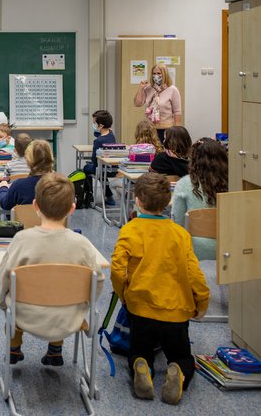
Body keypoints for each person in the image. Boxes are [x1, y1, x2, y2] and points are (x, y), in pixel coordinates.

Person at [111, 172, 209, 405]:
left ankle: (141, 367)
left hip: (140, 310)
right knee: (182, 356)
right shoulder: (180, 234)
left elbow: (117, 269)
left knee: (138, 352)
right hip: (176, 312)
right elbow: (195, 273)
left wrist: (123, 294)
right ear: (167, 202)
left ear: (137, 201)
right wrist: (201, 302)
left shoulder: (130, 230)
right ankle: (178, 370)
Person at [0, 173, 104, 366]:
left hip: (25, 316)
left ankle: (13, 348)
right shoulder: (83, 245)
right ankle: (55, 350)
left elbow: (3, 281)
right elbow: (98, 281)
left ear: (35, 205)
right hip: (69, 318)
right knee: (59, 290)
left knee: (17, 298)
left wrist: (3, 303)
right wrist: (83, 304)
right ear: (72, 209)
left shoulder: (21, 240)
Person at [172, 138, 228, 260]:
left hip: (194, 248)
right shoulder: (233, 184)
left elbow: (177, 222)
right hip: (228, 246)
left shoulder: (184, 184)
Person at [0, 139, 53, 211]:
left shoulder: (19, 185)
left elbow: (5, 205)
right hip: (51, 222)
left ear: (28, 161)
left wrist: (3, 188)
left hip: (24, 222)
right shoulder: (59, 184)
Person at [133, 63, 182, 143]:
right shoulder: (148, 89)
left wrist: (177, 133)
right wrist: (141, 89)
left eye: (159, 73)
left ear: (164, 74)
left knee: (163, 154)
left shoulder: (173, 90)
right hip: (150, 130)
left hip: (167, 130)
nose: (156, 75)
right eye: (154, 73)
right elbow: (137, 103)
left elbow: (177, 112)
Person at [83, 110, 116, 206]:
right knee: (101, 169)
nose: (93, 125)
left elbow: (94, 160)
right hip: (112, 169)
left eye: (94, 123)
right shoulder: (111, 135)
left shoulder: (98, 141)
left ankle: (89, 196)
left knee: (86, 169)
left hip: (101, 168)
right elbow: (98, 134)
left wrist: (92, 164)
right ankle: (109, 196)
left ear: (100, 126)